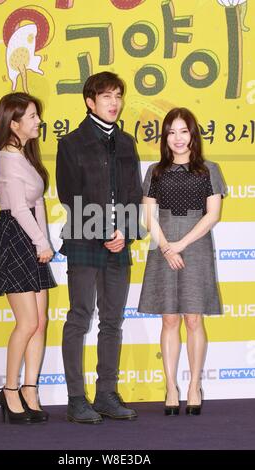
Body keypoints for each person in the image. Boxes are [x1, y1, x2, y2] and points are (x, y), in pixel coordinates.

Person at [56, 71, 142, 424]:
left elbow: (134, 193)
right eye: (106, 96)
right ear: (90, 101)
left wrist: (125, 232)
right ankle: (77, 399)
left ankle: (107, 393)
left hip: (119, 242)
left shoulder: (126, 142)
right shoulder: (71, 143)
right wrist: (104, 230)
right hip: (83, 239)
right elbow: (69, 195)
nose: (114, 103)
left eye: (118, 96)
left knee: (112, 320)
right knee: (79, 317)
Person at [138, 107, 226, 416]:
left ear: (193, 134)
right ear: (165, 137)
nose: (177, 138)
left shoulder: (208, 170)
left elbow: (212, 214)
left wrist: (181, 244)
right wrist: (166, 247)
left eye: (183, 131)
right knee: (170, 319)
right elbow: (148, 215)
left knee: (193, 319)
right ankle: (171, 386)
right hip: (163, 246)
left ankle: (194, 386)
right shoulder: (155, 172)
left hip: (196, 246)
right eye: (171, 132)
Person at [0, 92, 56, 424]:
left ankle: (30, 389)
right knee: (28, 322)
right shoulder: (7, 158)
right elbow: (19, 208)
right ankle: (9, 391)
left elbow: (37, 203)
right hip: (15, 238)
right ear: (14, 122)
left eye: (38, 115)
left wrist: (45, 242)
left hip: (32, 238)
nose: (39, 121)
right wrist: (40, 241)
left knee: (41, 320)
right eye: (33, 116)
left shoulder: (23, 155)